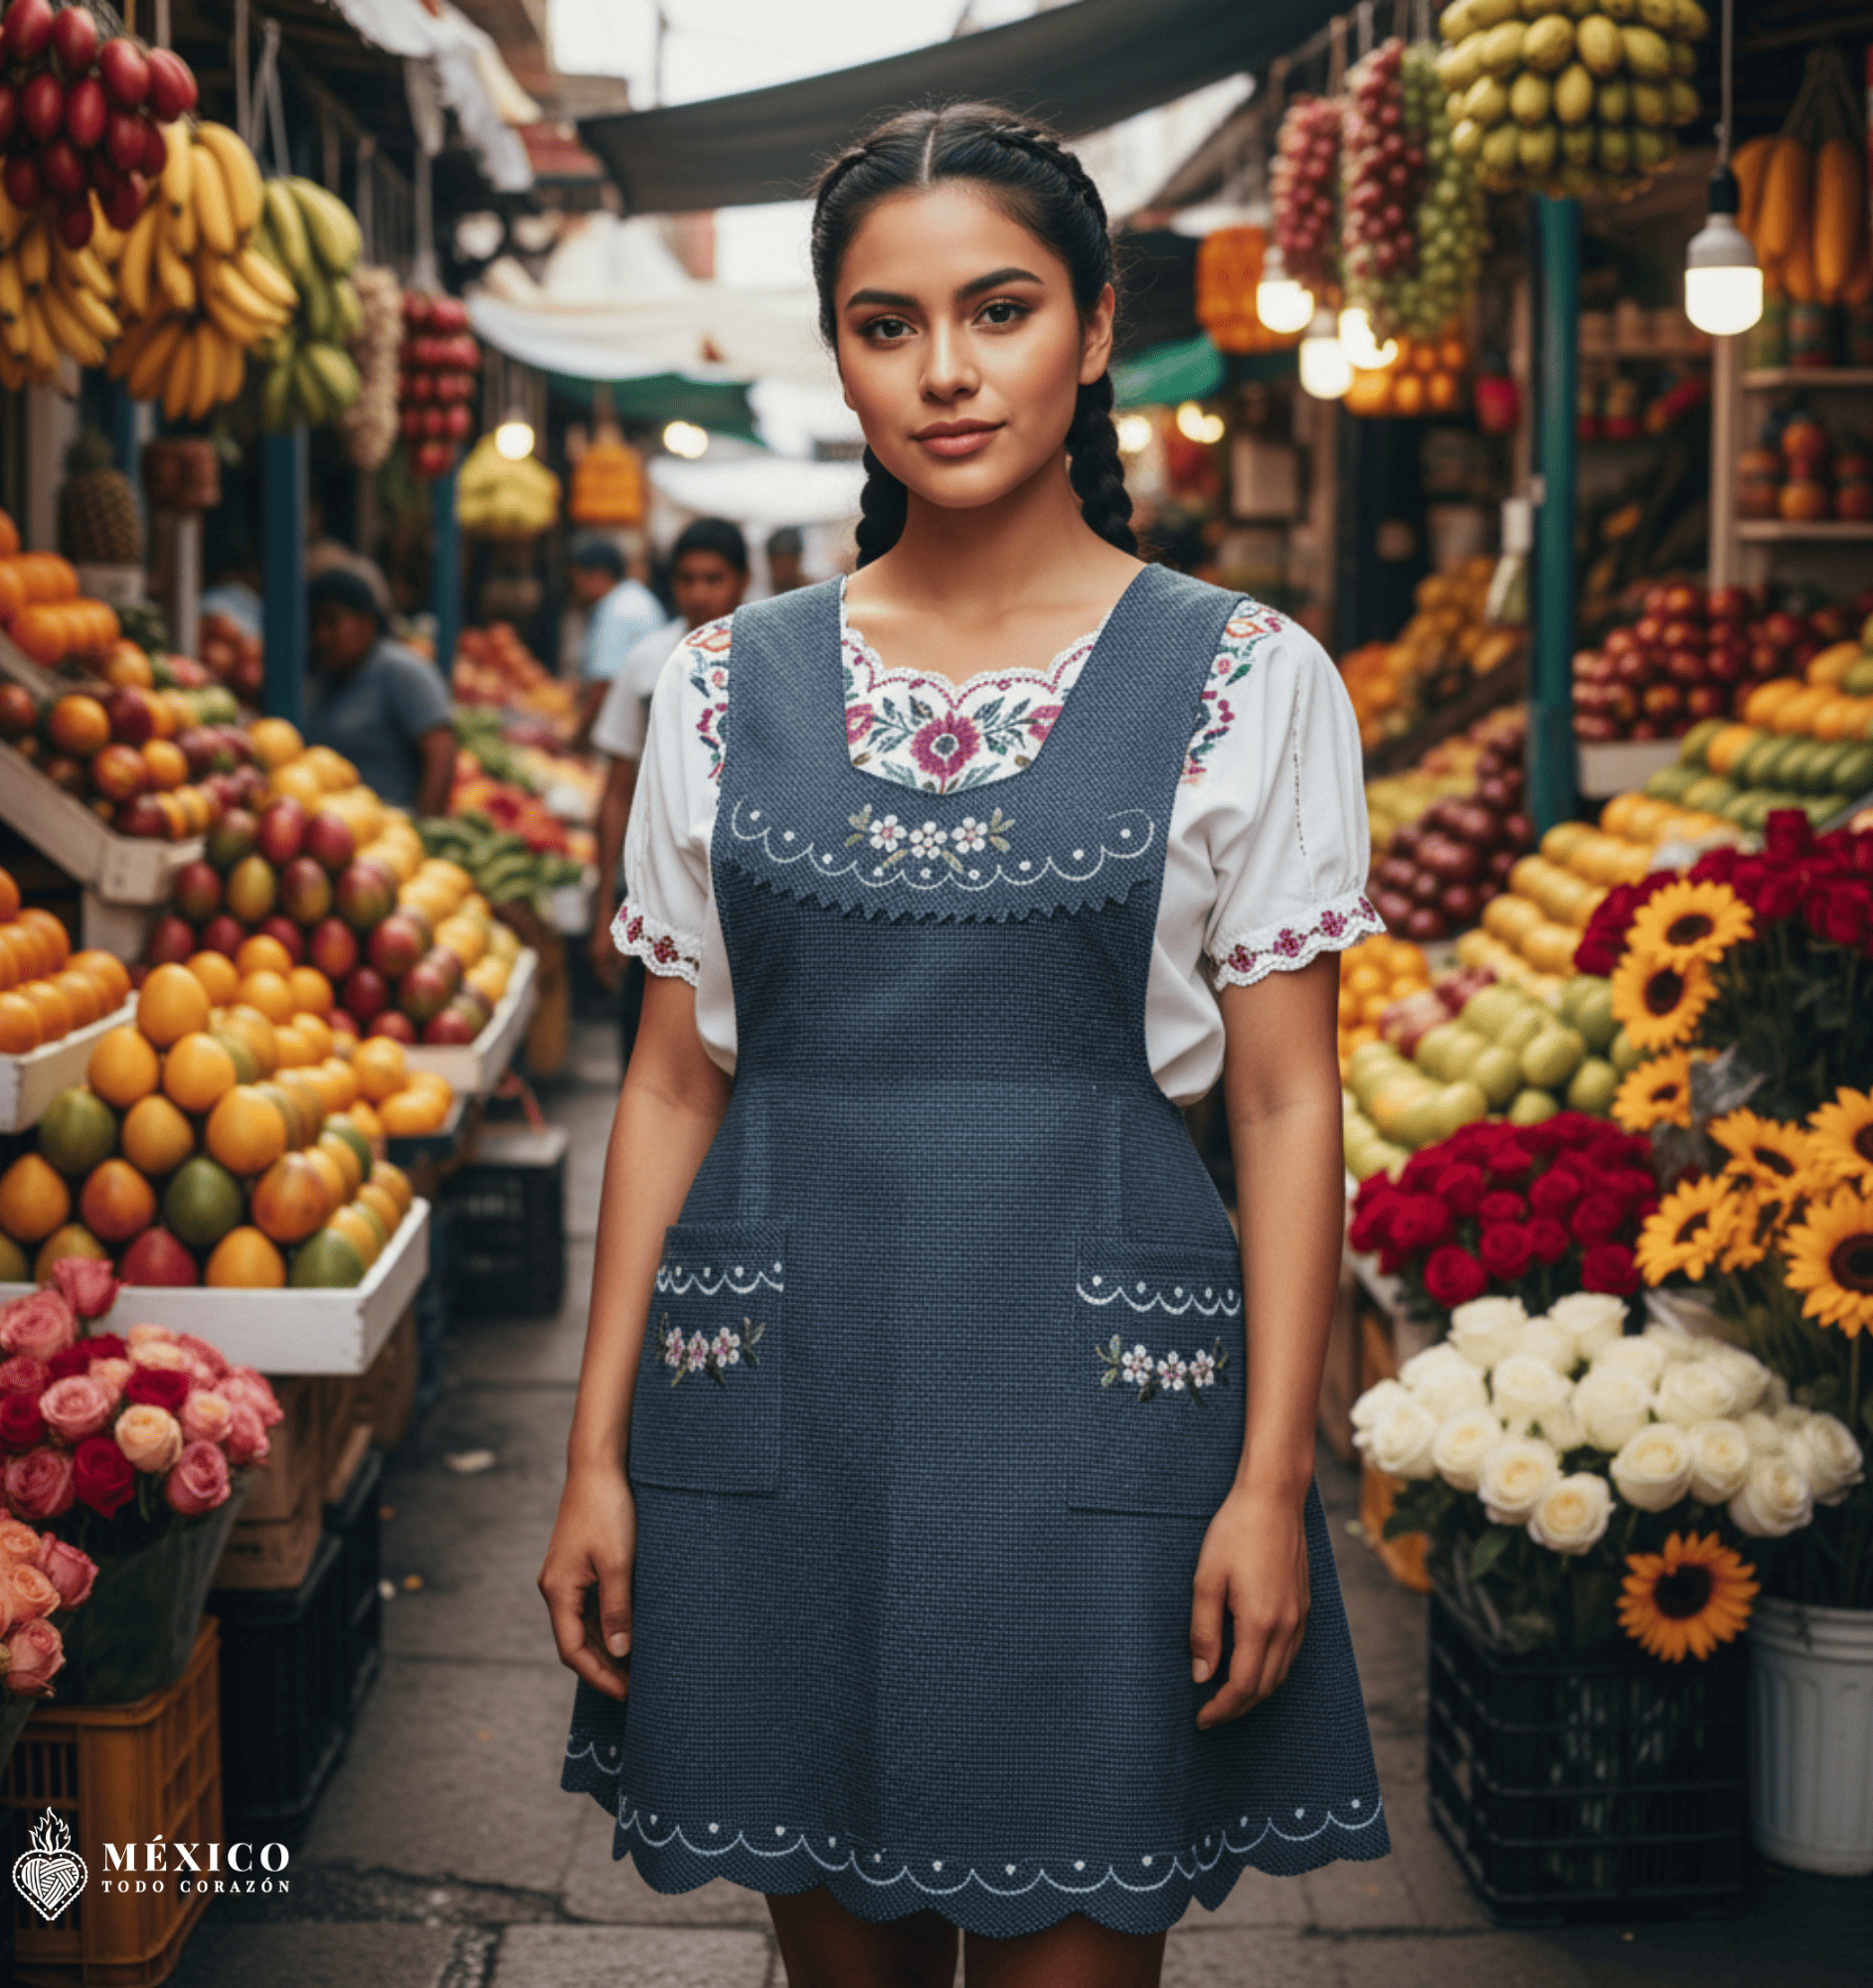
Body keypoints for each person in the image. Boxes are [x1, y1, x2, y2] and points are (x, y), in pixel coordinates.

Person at [542, 102, 1387, 1986]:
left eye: (998, 310)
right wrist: (595, 1456)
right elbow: (675, 1082)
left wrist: (1268, 1483)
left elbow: (1281, 1096)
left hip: (1105, 1418)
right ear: (837, 349)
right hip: (778, 1404)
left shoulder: (1249, 682)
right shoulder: (714, 686)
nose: (944, 372)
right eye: (886, 323)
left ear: (1094, 330)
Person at [588, 518, 751, 1017]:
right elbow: (617, 789)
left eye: (713, 578)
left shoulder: (768, 658)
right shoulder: (648, 662)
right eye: (687, 579)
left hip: (742, 900)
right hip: (657, 900)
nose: (699, 593)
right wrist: (603, 916)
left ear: (741, 580)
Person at [303, 566, 455, 816]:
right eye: (315, 624)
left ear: (367, 623)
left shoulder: (402, 671)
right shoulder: (326, 678)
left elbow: (441, 750)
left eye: (332, 621)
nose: (322, 635)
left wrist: (426, 824)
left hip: (392, 833)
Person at [571, 537, 667, 747]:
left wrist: (578, 741)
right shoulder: (633, 597)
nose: (575, 587)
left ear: (598, 576)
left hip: (636, 725)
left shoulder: (618, 610)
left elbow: (603, 682)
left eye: (577, 578)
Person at [766, 523, 807, 592]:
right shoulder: (763, 596)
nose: (782, 572)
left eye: (786, 563)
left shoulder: (813, 593)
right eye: (777, 565)